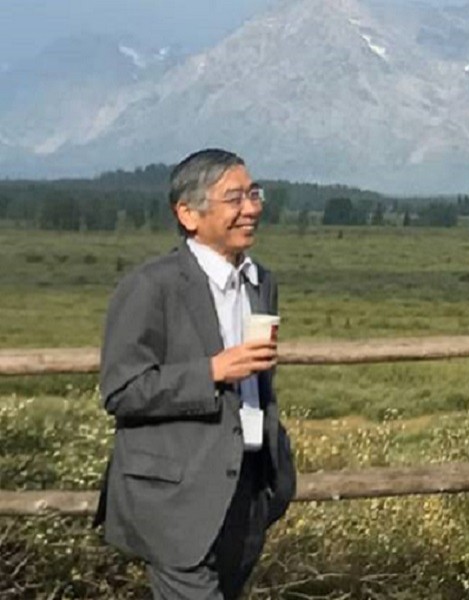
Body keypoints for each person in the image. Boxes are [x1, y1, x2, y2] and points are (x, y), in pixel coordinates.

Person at [95, 148, 297, 599]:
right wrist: (211, 372)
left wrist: (274, 470)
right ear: (188, 214)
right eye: (235, 198)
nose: (252, 208)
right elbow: (121, 390)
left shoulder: (262, 281)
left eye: (254, 193)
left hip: (247, 489)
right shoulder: (151, 287)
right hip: (176, 498)